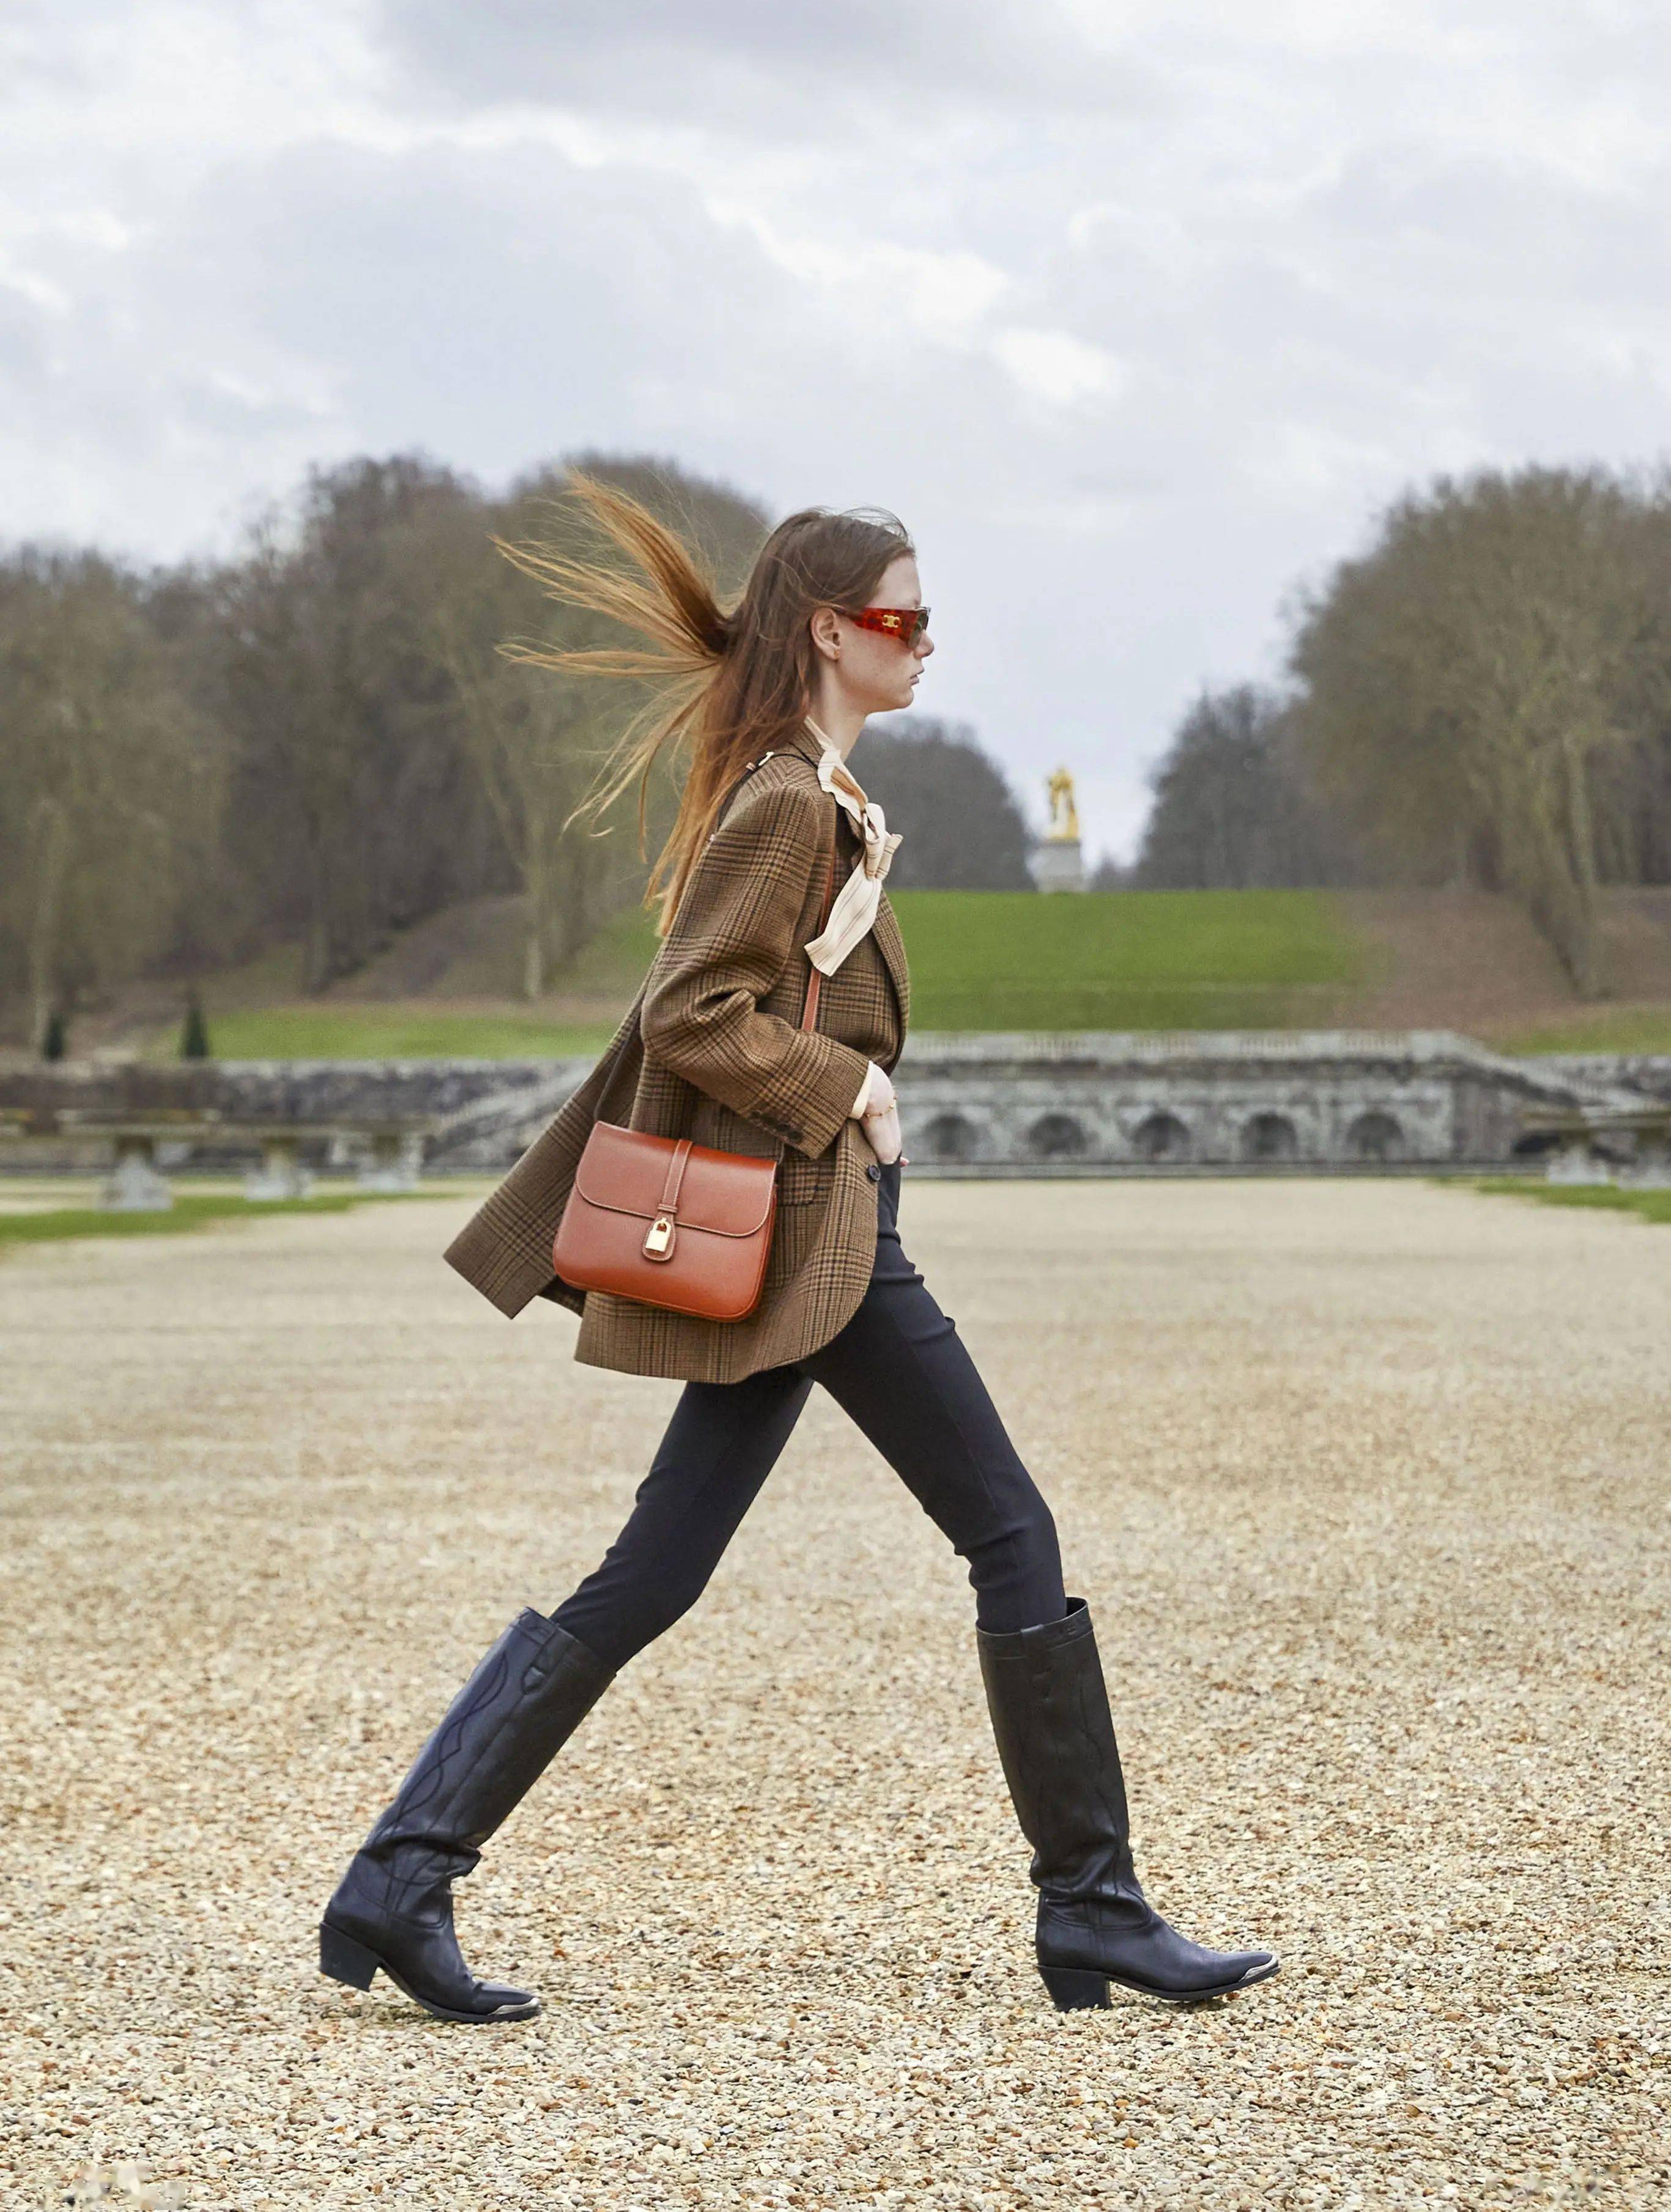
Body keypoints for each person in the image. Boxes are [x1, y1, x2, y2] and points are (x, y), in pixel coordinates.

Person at [318, 480, 1278, 2024]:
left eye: (925, 617)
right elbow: (694, 1006)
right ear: (831, 631)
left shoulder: (812, 795)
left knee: (653, 1572)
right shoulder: (783, 804)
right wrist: (854, 1085)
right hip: (818, 1237)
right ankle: (1091, 1909)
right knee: (1009, 1536)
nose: (923, 642)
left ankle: (399, 1875)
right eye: (900, 617)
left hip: (802, 1240)